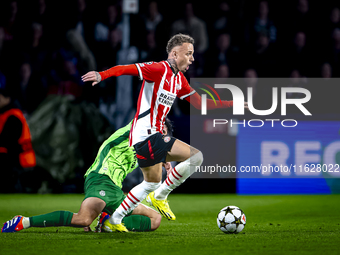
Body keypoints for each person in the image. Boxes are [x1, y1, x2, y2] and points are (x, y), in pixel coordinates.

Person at [82, 33, 246, 232]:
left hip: (149, 136)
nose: (192, 58)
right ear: (175, 54)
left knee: (150, 183)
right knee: (196, 157)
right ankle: (160, 196)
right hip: (147, 133)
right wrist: (102, 74)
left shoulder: (179, 79)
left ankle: (113, 220)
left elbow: (201, 103)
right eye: (189, 53)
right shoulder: (159, 69)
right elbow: (126, 68)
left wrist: (231, 104)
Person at [1, 118, 174, 233]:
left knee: (155, 219)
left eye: (164, 135)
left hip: (116, 191)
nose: (161, 137)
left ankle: (106, 223)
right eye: (161, 131)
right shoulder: (137, 127)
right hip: (101, 179)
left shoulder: (146, 151)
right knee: (83, 219)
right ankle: (24, 221)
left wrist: (163, 160)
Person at [0, 73, 36, 193]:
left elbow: (7, 141)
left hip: (18, 162)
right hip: (15, 160)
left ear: (7, 98)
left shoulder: (13, 116)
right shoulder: (6, 115)